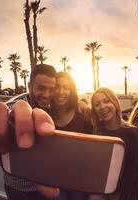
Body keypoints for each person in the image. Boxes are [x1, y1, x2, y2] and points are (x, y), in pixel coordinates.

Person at [0, 64, 60, 200]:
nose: (47, 95)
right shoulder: (13, 110)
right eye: (41, 88)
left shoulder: (54, 109)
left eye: (51, 89)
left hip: (49, 187)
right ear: (29, 86)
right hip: (19, 190)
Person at [89, 87, 138, 200]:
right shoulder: (96, 130)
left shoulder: (131, 133)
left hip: (119, 192)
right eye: (97, 104)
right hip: (98, 189)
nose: (102, 107)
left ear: (115, 103)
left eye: (107, 101)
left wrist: (122, 196)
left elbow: (131, 171)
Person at [50, 71, 92, 200]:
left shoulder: (82, 115)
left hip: (79, 181)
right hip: (54, 181)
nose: (61, 92)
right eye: (57, 87)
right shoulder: (46, 115)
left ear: (72, 90)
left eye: (66, 88)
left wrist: (84, 103)